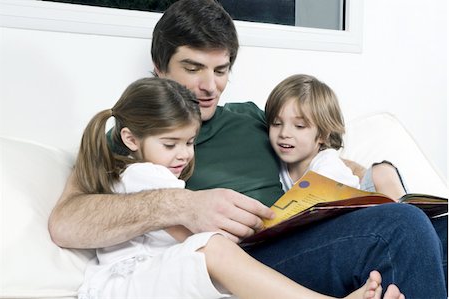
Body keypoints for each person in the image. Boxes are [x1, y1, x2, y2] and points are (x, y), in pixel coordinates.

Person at [49, 0, 447, 297]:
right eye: (193, 68)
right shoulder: (138, 136)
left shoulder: (251, 117)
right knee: (401, 228)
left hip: (304, 241)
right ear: (159, 66)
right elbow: (66, 221)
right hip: (244, 264)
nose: (209, 86)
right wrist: (183, 206)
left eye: (220, 71)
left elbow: (321, 157)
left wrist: (377, 172)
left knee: (439, 226)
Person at [74, 77, 401, 299]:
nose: (184, 154)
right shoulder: (142, 175)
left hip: (162, 271)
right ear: (130, 139)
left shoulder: (158, 170)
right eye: (170, 144)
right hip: (133, 280)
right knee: (212, 245)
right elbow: (188, 230)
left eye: (189, 142)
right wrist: (257, 230)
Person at [265, 74, 406, 199]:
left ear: (322, 135)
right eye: (277, 123)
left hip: (364, 201)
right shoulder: (274, 163)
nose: (284, 133)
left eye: (299, 126)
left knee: (383, 174)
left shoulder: (327, 166)